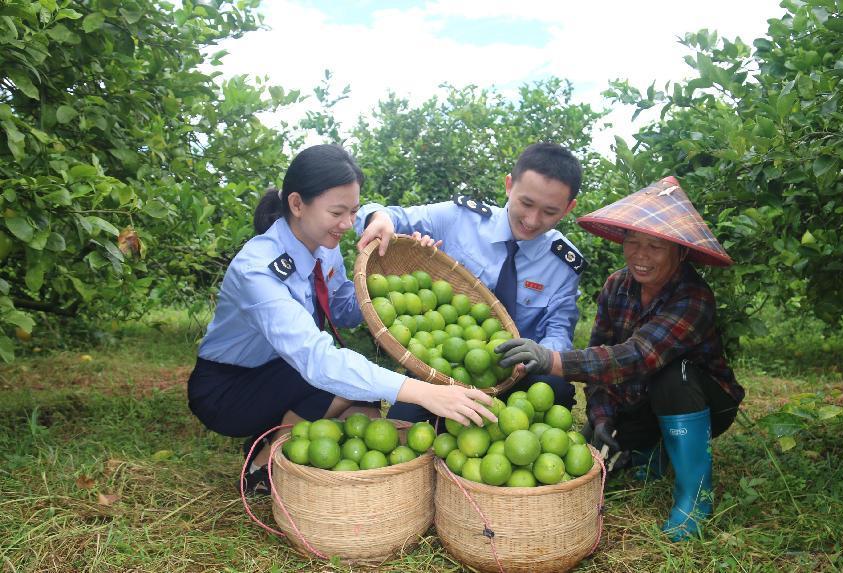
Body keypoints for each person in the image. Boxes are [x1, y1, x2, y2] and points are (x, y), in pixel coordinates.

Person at [187, 144, 495, 495]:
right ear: (297, 204)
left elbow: (345, 307)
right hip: (228, 388)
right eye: (338, 212)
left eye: (353, 211)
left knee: (364, 415)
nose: (348, 224)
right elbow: (318, 361)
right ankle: (262, 465)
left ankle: (287, 443)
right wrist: (425, 392)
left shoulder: (326, 247)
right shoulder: (258, 270)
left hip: (283, 368)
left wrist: (401, 278)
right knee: (337, 384)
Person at [494, 176, 745, 541]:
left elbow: (638, 356)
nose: (640, 256)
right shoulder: (616, 285)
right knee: (591, 449)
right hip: (641, 399)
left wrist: (553, 360)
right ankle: (650, 451)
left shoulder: (694, 296)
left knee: (673, 374)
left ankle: (695, 496)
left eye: (655, 247)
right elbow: (602, 354)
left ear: (681, 252)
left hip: (702, 403)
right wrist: (601, 417)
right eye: (633, 242)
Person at [355, 142, 587, 420]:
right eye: (526, 203)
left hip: (516, 376)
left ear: (568, 208)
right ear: (509, 185)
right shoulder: (459, 219)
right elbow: (384, 214)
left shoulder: (563, 264)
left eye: (550, 212)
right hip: (444, 368)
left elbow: (559, 332)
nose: (532, 219)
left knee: (555, 388)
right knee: (403, 425)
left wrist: (539, 356)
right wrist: (379, 218)